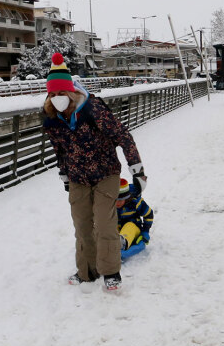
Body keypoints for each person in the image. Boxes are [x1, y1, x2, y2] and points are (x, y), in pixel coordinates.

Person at [42, 53, 146, 292]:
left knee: (104, 221)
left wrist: (137, 170)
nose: (57, 98)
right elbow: (60, 149)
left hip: (105, 173)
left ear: (70, 92)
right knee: (82, 224)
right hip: (78, 176)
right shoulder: (51, 118)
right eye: (53, 94)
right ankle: (87, 272)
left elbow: (123, 136)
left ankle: (111, 272)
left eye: (61, 93)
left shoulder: (93, 110)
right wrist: (65, 175)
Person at [116, 178, 153, 256]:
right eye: (115, 200)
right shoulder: (110, 204)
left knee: (129, 226)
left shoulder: (135, 203)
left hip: (133, 229)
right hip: (117, 228)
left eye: (120, 200)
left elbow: (149, 214)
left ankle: (121, 243)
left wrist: (145, 231)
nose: (117, 203)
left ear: (126, 198)